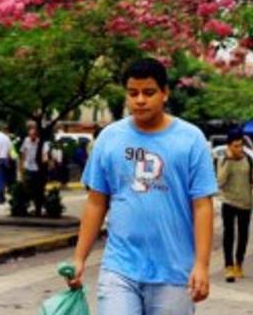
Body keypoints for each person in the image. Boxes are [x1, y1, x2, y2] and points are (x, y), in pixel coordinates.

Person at [69, 58, 216, 313]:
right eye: (132, 93)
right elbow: (96, 202)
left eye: (148, 93)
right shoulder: (110, 138)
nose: (139, 100)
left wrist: (201, 265)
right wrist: (79, 258)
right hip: (120, 268)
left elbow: (202, 206)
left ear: (165, 93)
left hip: (174, 272)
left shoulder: (191, 139)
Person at [217, 129, 253, 282]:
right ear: (229, 146)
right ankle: (228, 266)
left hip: (245, 203)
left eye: (241, 146)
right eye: (236, 146)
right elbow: (220, 181)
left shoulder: (249, 160)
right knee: (229, 234)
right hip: (228, 201)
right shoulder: (223, 160)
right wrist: (229, 162)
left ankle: (239, 264)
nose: (239, 149)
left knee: (243, 235)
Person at [20, 122, 44, 216]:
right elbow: (22, 153)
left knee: (36, 189)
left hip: (37, 168)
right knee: (26, 188)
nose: (31, 137)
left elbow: (43, 155)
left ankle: (37, 208)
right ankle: (26, 207)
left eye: (33, 135)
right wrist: (21, 167)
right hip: (27, 167)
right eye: (30, 135)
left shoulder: (40, 142)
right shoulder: (26, 141)